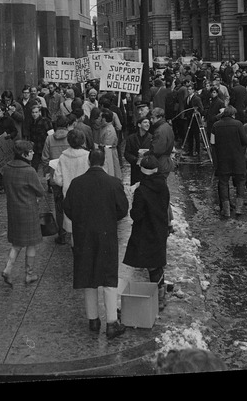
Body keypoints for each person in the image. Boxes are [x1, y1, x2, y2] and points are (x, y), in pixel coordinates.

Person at [63, 148, 130, 339]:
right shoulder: (113, 183)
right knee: (108, 277)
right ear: (104, 163)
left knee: (88, 277)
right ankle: (111, 323)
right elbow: (123, 210)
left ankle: (93, 320)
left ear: (88, 162)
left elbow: (67, 208)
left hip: (84, 236)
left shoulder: (77, 184)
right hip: (106, 235)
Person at [122, 153, 171, 310]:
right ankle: (161, 294)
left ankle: (160, 298)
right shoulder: (163, 185)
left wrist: (132, 200)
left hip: (146, 232)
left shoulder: (141, 191)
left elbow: (136, 215)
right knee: (157, 263)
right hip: (160, 228)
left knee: (152, 265)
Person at [0, 139, 46, 286]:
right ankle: (29, 274)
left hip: (13, 209)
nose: (33, 153)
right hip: (29, 210)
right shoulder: (29, 171)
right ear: (24, 154)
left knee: (17, 243)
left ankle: (8, 269)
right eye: (30, 151)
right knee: (31, 243)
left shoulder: (7, 168)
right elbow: (40, 191)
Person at [51, 128, 91, 245]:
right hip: (86, 195)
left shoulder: (63, 157)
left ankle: (75, 250)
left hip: (69, 195)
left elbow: (58, 179)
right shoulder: (88, 156)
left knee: (73, 229)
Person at [209, 105, 247, 218]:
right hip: (237, 159)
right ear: (233, 114)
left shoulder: (215, 126)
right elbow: (245, 140)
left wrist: (215, 161)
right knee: (240, 182)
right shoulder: (238, 124)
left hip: (223, 159)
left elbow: (213, 143)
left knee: (223, 183)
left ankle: (226, 210)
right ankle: (239, 208)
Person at [42, 115, 74, 243]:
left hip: (56, 177)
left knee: (59, 206)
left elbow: (45, 158)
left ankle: (61, 234)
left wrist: (47, 173)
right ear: (67, 125)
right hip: (71, 176)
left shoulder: (49, 139)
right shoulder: (72, 136)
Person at [124, 116, 154, 186]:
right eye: (145, 122)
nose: (147, 124)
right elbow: (126, 153)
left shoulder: (152, 138)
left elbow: (154, 152)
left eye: (148, 123)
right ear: (139, 125)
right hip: (135, 169)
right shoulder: (131, 138)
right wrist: (135, 160)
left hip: (148, 169)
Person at [96, 108, 122, 178]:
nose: (99, 119)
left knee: (111, 171)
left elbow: (107, 146)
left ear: (104, 119)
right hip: (107, 152)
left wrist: (99, 146)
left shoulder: (109, 130)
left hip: (109, 154)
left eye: (100, 117)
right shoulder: (104, 127)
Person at [149, 107, 175, 177]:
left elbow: (157, 150)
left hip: (161, 162)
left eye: (153, 118)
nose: (151, 120)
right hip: (166, 161)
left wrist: (146, 154)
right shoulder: (167, 126)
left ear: (159, 117)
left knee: (159, 184)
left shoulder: (159, 130)